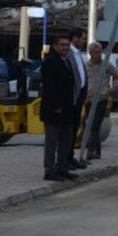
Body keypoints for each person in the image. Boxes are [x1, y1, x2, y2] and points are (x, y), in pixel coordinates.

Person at [40, 35, 78, 182]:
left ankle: (63, 168)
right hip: (54, 109)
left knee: (66, 140)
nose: (65, 48)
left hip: (67, 109)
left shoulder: (66, 61)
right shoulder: (50, 62)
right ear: (55, 46)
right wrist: (55, 106)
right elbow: (49, 87)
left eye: (67, 45)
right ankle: (49, 170)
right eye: (62, 45)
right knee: (52, 141)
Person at [83, 42, 118, 161]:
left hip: (101, 99)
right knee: (90, 126)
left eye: (100, 52)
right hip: (89, 100)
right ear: (91, 54)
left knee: (95, 125)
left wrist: (112, 88)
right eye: (96, 52)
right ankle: (97, 151)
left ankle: (91, 151)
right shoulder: (86, 66)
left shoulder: (106, 65)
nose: (99, 54)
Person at [67, 28, 88, 170]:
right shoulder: (68, 54)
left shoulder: (78, 54)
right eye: (83, 38)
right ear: (75, 38)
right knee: (68, 129)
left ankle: (70, 156)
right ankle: (65, 158)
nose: (84, 41)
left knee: (75, 127)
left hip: (79, 96)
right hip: (71, 97)